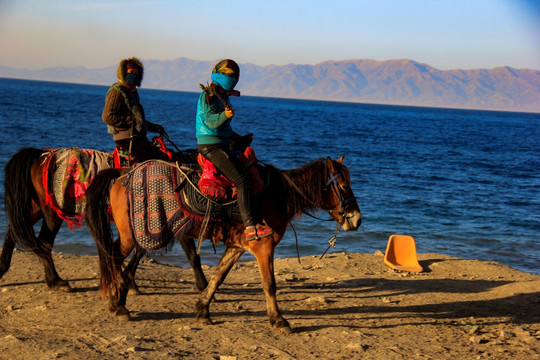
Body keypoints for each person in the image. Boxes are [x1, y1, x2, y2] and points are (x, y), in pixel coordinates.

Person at [196, 59, 273, 241]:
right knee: (243, 180)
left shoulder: (222, 95)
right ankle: (250, 227)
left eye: (234, 75)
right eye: (229, 75)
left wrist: (240, 139)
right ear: (219, 75)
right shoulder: (209, 95)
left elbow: (223, 129)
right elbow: (210, 121)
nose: (233, 78)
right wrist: (225, 115)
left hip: (221, 142)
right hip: (211, 145)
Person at [102, 57, 169, 165]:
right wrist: (130, 121)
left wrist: (153, 127)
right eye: (131, 72)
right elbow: (108, 116)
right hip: (127, 139)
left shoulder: (131, 92)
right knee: (159, 161)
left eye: (137, 73)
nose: (134, 75)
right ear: (123, 73)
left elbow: (137, 119)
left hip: (136, 137)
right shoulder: (117, 92)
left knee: (163, 155)